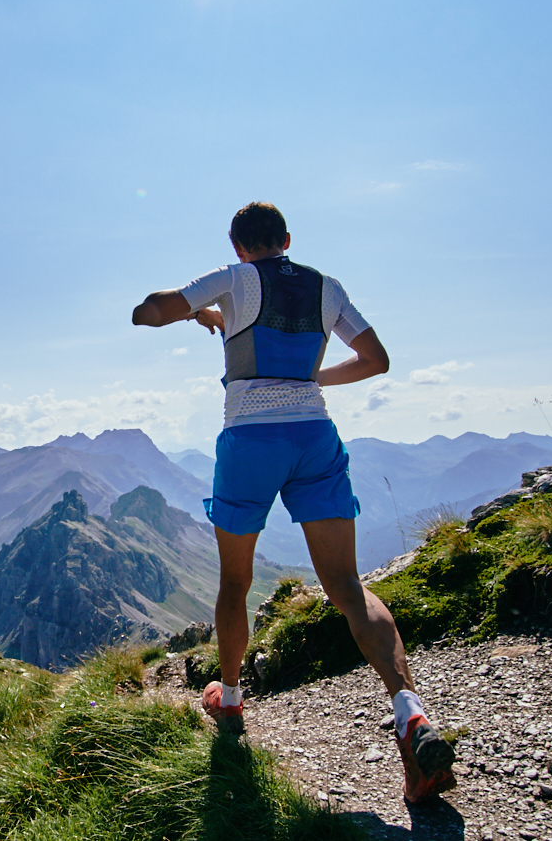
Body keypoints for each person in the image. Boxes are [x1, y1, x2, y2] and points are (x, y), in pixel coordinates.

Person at [130, 201, 456, 805]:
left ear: (237, 247)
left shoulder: (233, 280)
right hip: (314, 437)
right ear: (285, 239)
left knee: (235, 582)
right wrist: (308, 381)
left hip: (250, 441)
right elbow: (376, 361)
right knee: (348, 588)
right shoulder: (326, 287)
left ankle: (229, 702)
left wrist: (196, 309)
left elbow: (146, 314)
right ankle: (409, 712)